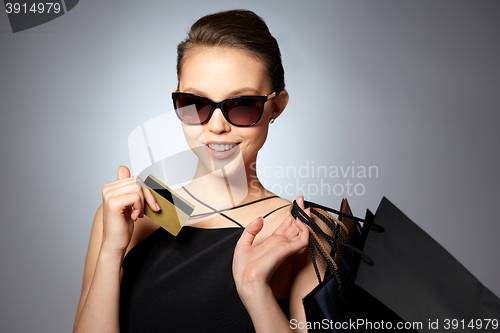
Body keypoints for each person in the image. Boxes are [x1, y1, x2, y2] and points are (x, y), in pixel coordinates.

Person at [73, 9, 333, 333]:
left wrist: (256, 290)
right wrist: (112, 250)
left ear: (276, 106)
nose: (217, 126)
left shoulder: (301, 230)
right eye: (196, 104)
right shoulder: (130, 215)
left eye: (242, 104)